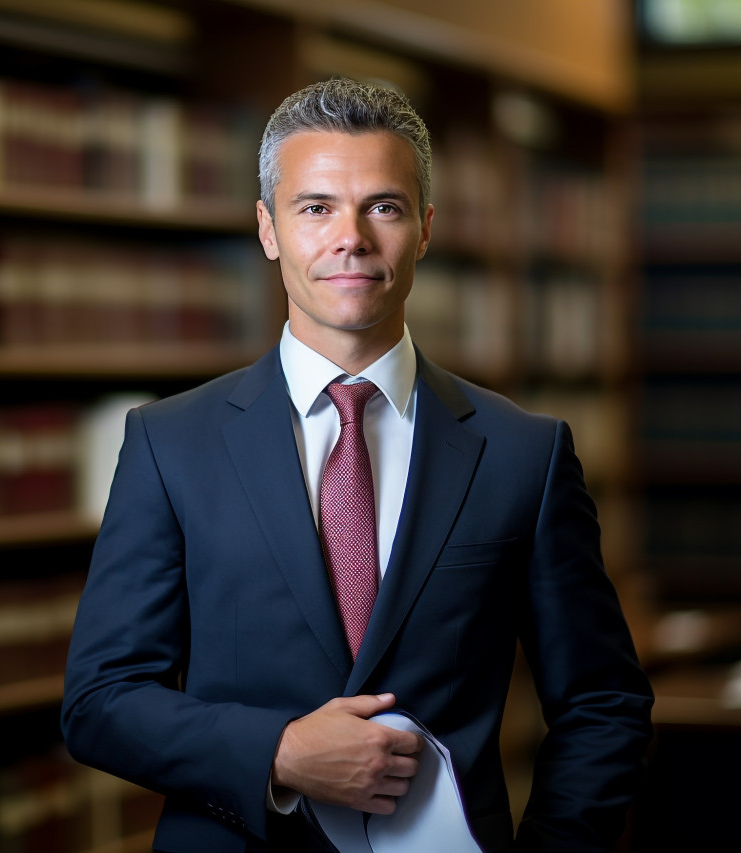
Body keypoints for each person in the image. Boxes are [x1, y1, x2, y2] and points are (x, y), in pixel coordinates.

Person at [61, 77, 654, 853]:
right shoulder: (170, 443)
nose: (352, 238)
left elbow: (603, 700)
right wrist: (278, 751)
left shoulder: (524, 453)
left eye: (384, 206)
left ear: (426, 228)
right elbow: (100, 702)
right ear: (268, 228)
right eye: (316, 208)